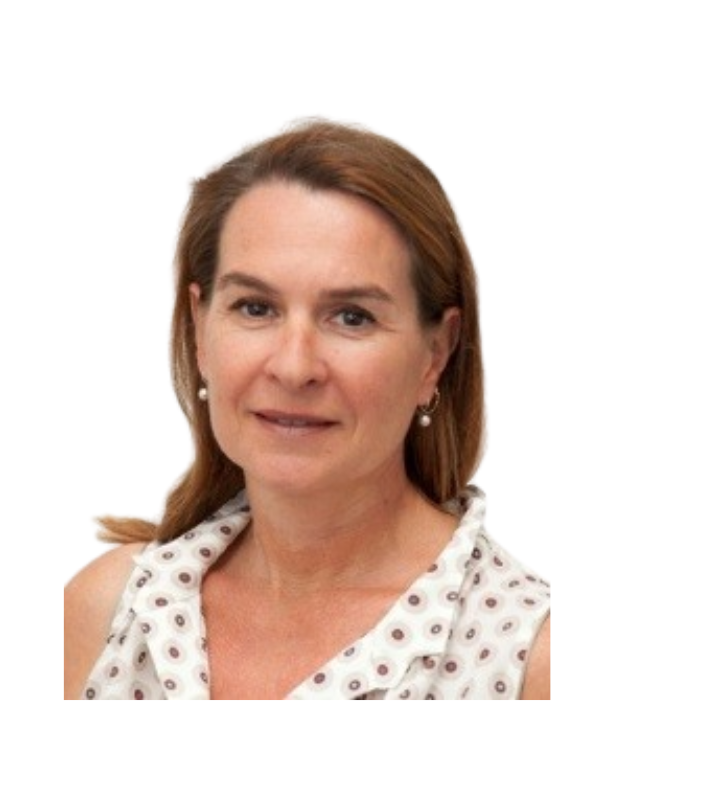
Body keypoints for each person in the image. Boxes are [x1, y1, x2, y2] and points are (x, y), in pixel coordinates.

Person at [64, 120, 550, 700]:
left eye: (352, 317)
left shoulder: (531, 661)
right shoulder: (110, 612)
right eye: (255, 307)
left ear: (435, 354)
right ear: (199, 331)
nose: (294, 367)